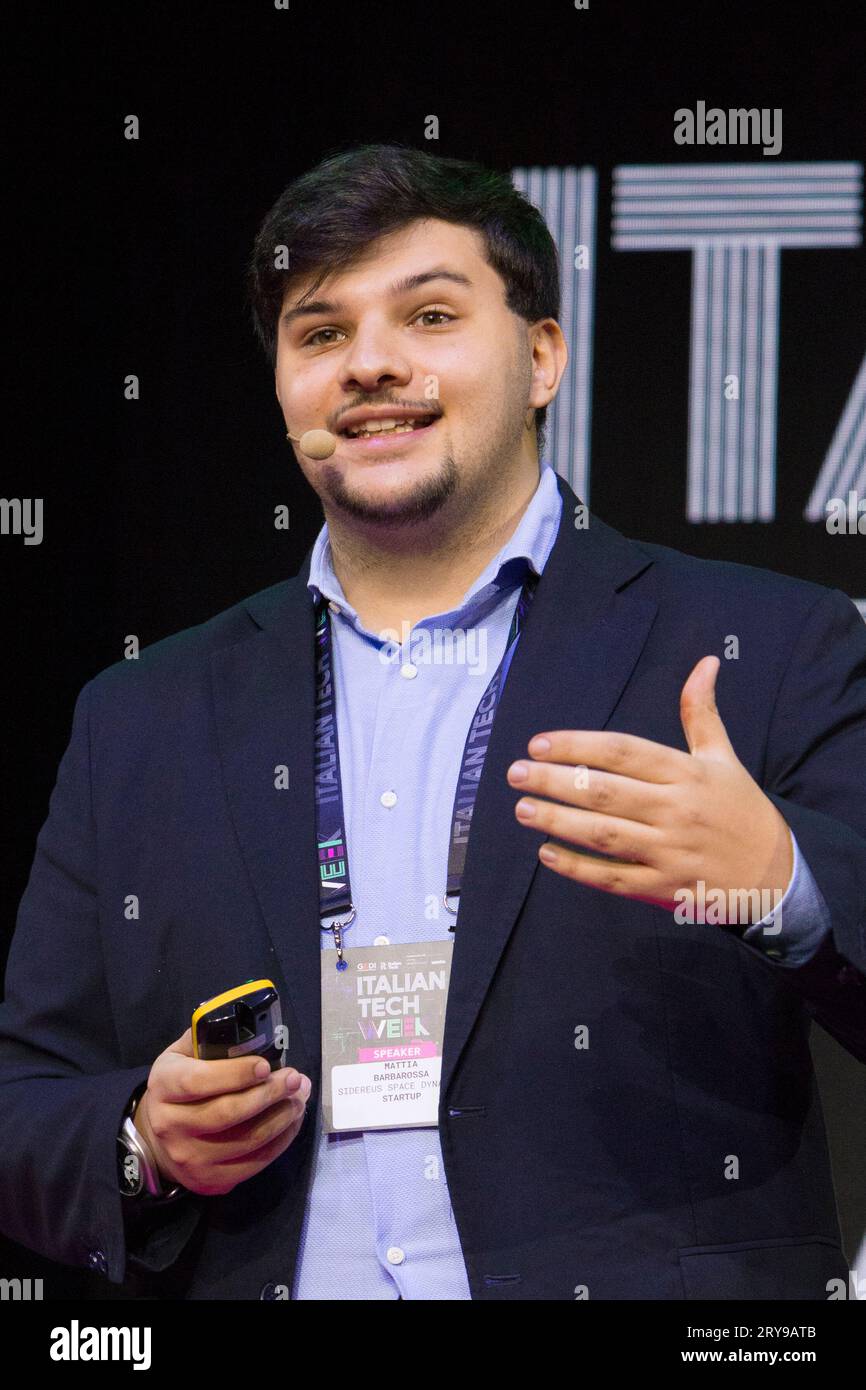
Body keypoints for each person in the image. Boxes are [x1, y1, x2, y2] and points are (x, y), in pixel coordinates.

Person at [1, 143, 864, 1301]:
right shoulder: (141, 716)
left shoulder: (761, 644)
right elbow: (26, 1098)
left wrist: (782, 886)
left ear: (541, 357)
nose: (369, 365)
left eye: (428, 315)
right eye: (319, 334)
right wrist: (141, 1141)